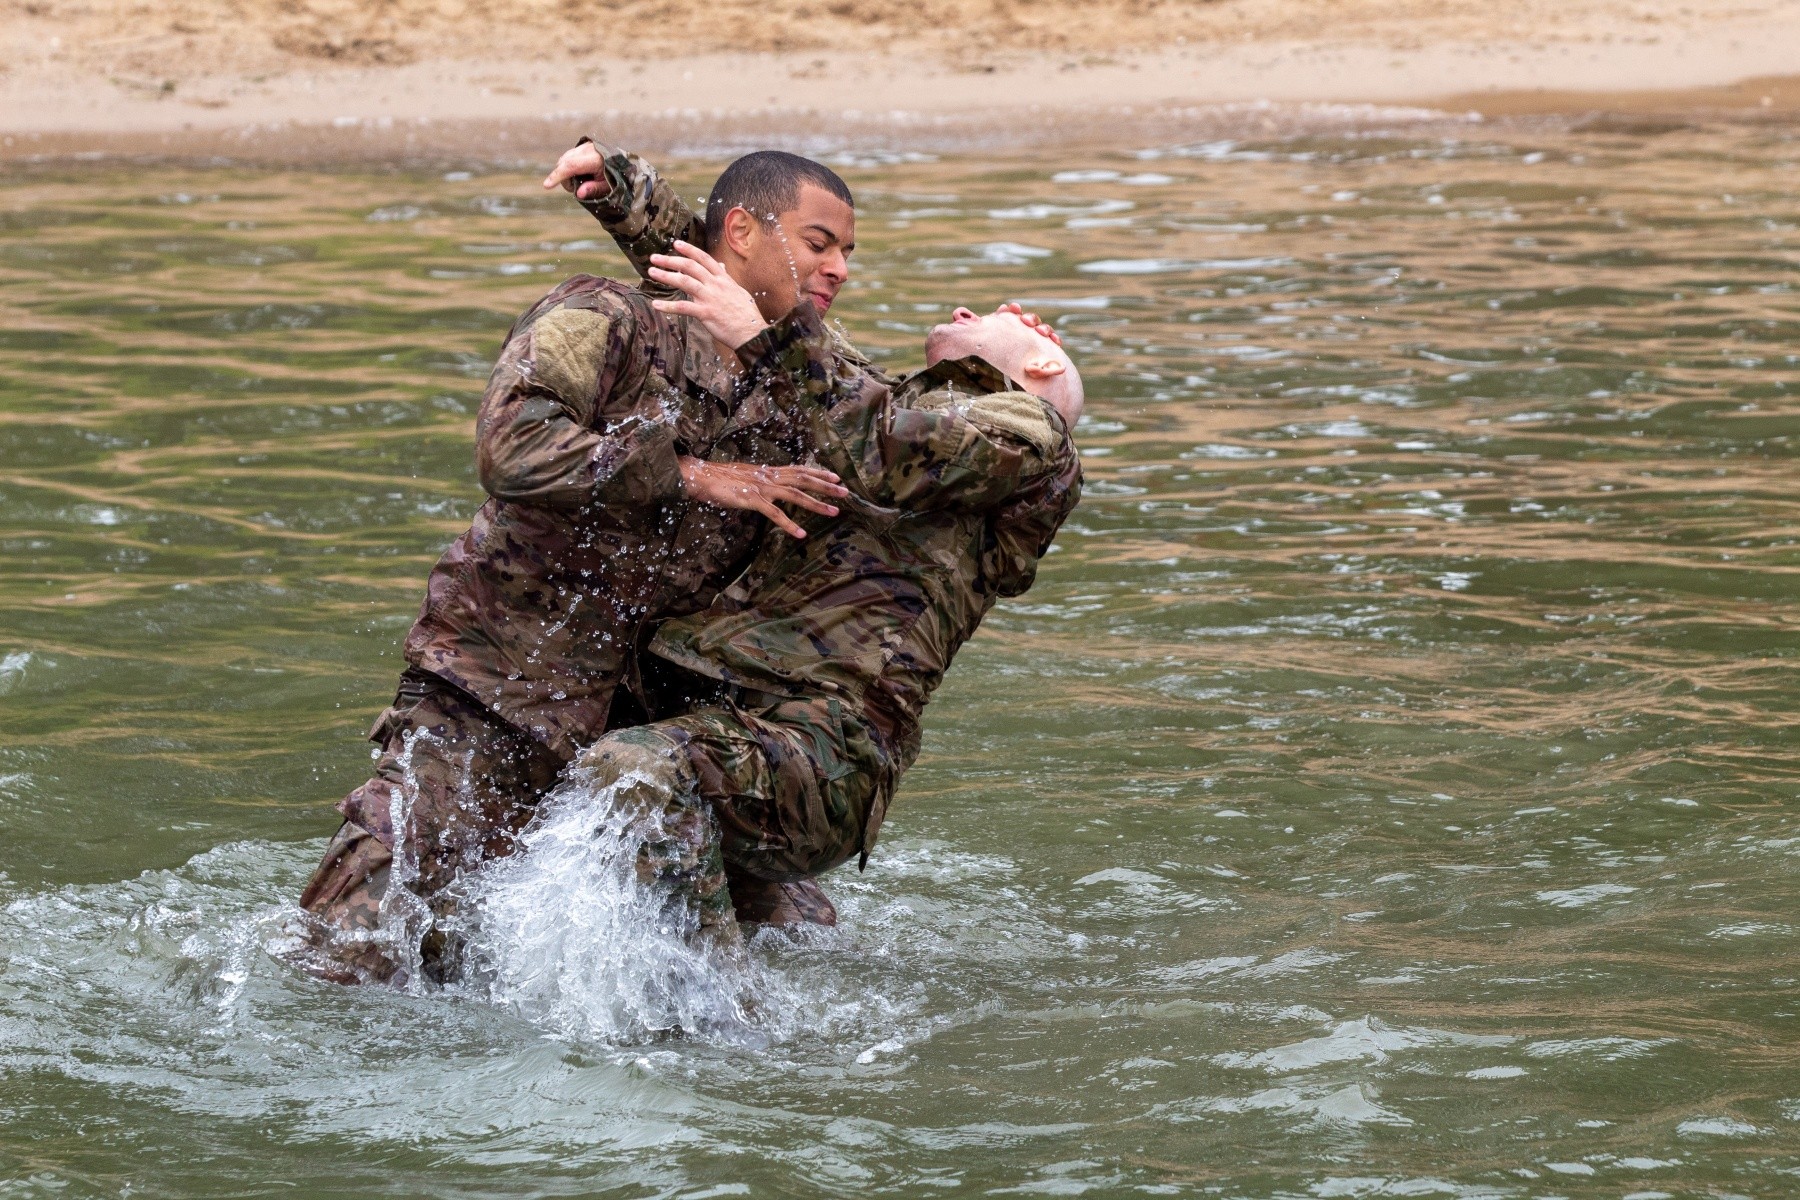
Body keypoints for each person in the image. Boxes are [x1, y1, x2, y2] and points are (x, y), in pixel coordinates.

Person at [292, 153, 869, 984]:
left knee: (800, 953)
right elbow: (510, 446)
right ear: (740, 233)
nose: (839, 270)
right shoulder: (605, 317)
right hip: (494, 703)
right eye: (820, 243)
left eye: (848, 253)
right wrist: (692, 473)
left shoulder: (800, 395)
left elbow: (893, 428)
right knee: (346, 958)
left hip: (648, 740)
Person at [485, 239, 1085, 954]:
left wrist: (767, 338)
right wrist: (622, 190)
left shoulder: (1030, 435)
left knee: (633, 771)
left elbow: (879, 440)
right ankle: (759, 928)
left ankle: (712, 1018)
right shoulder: (863, 398)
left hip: (824, 750)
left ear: (1041, 364)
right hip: (734, 721)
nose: (966, 309)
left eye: (999, 315)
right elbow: (749, 280)